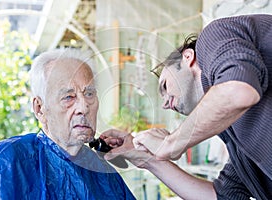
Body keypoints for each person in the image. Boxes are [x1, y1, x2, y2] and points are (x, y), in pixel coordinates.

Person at [101, 14, 272, 200]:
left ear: (188, 57)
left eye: (165, 86)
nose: (166, 104)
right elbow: (220, 197)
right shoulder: (234, 135)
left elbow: (237, 90)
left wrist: (171, 143)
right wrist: (148, 160)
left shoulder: (212, 36)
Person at [0, 48, 135, 200]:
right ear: (39, 109)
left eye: (89, 94)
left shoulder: (102, 171)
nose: (84, 107)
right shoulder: (12, 160)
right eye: (69, 97)